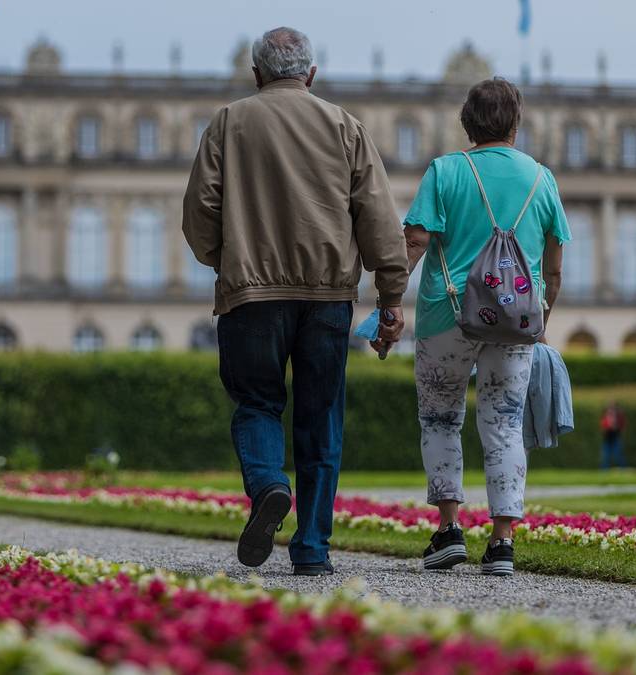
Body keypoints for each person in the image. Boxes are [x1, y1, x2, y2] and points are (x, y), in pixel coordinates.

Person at [183, 26, 409, 576]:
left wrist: (228, 260)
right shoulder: (344, 125)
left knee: (257, 403)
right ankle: (311, 548)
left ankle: (266, 487)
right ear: (311, 74)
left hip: (251, 295)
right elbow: (378, 220)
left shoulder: (229, 122)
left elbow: (198, 214)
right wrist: (391, 296)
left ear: (257, 74)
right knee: (320, 417)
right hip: (327, 296)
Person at [374, 77, 569, 576]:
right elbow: (554, 266)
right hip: (516, 321)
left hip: (447, 315)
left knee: (440, 420)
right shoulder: (541, 178)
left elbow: (414, 243)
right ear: (516, 123)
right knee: (504, 425)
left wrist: (390, 302)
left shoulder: (445, 171)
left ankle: (448, 531)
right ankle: (502, 544)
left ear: (466, 122)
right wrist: (539, 320)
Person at [600, 402, 627, 469]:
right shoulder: (605, 417)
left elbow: (622, 426)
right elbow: (603, 427)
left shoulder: (618, 417)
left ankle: (623, 469)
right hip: (607, 439)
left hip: (615, 438)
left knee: (618, 455)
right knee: (605, 456)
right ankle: (604, 471)